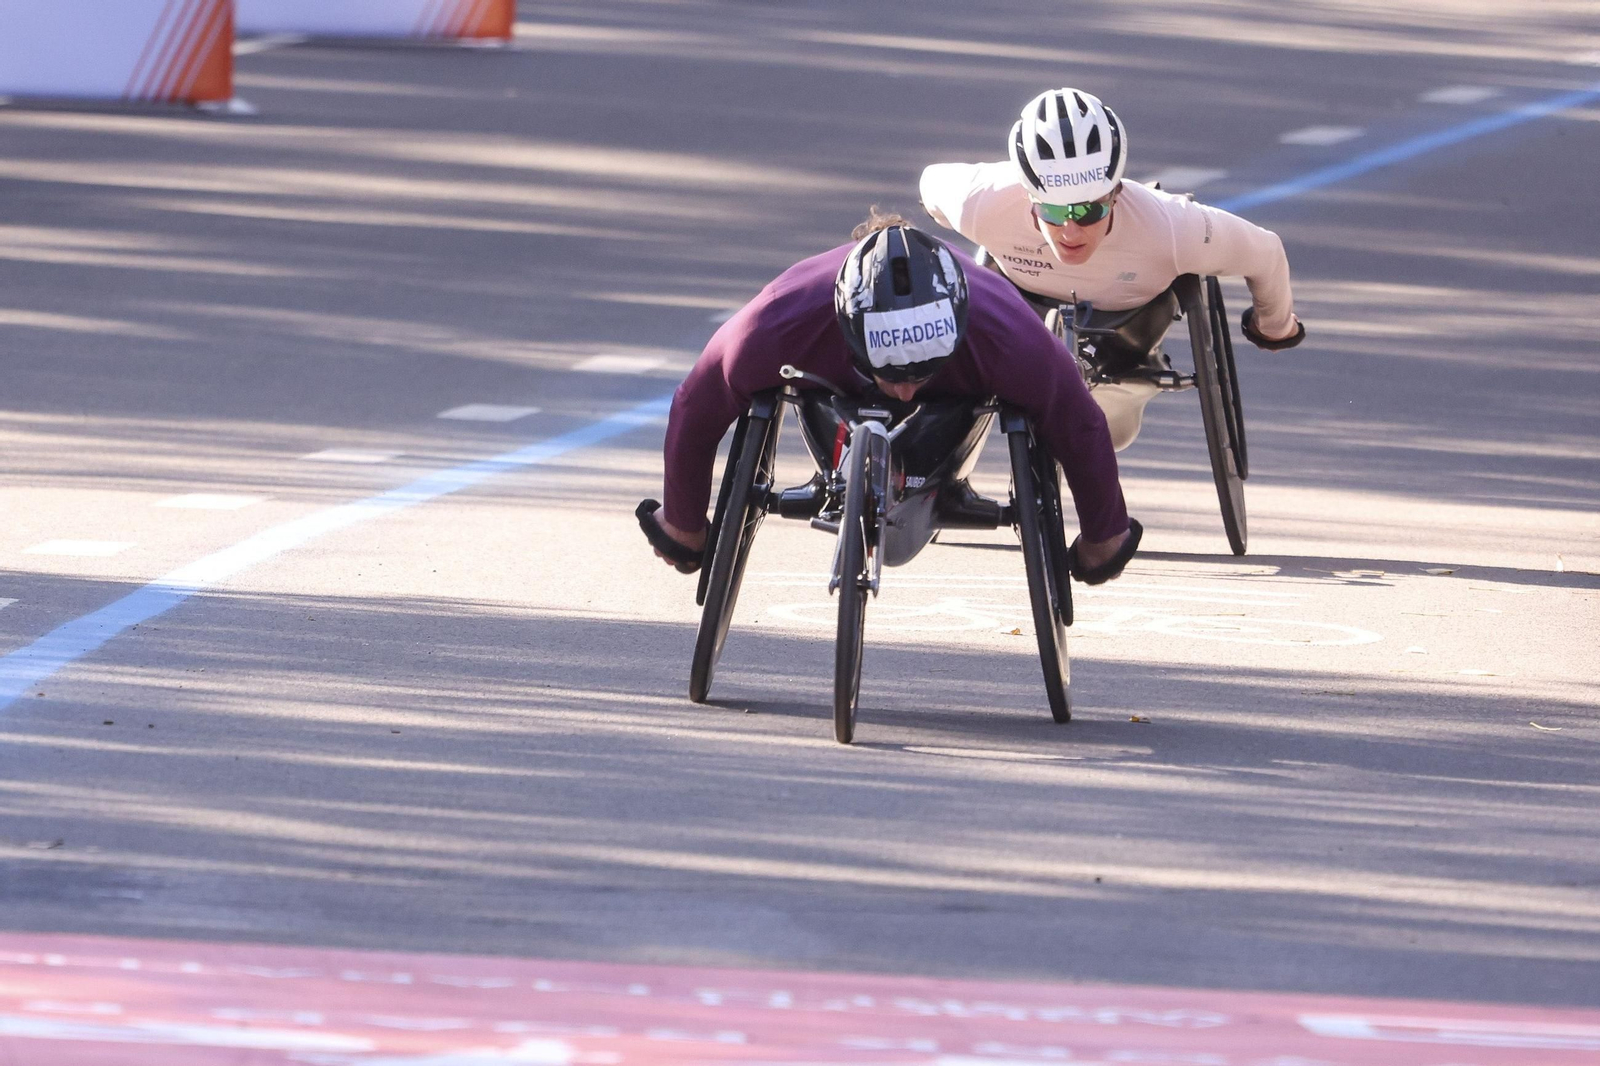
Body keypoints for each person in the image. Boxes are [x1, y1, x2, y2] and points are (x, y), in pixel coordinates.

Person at [637, 216, 1142, 585]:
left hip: (963, 382)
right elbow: (696, 405)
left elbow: (1080, 424)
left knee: (1050, 394)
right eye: (889, 372)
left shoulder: (1008, 334)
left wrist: (1104, 536)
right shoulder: (775, 324)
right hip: (827, 371)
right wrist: (684, 523)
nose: (903, 391)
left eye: (921, 371)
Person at [919, 87, 1305, 451]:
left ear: (1116, 192)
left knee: (1110, 435)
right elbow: (930, 185)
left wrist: (1275, 325)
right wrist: (1275, 330)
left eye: (1089, 210)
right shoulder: (981, 201)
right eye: (1054, 210)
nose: (1071, 230)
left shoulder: (1170, 227)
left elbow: (1265, 252)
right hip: (1020, 311)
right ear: (1028, 194)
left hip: (1127, 334)